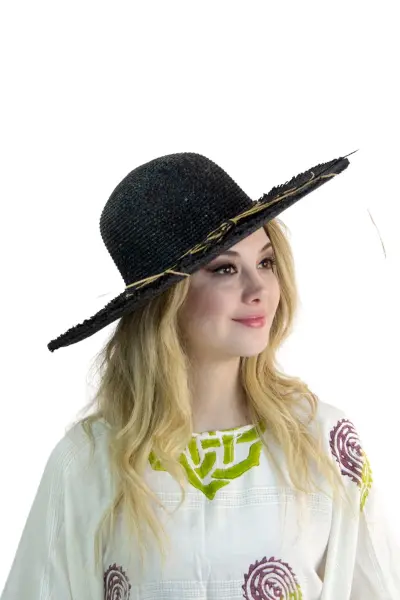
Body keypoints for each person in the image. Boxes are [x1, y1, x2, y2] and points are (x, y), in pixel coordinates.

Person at [1, 151, 399, 599]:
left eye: (266, 262)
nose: (258, 289)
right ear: (165, 301)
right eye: (225, 269)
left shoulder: (322, 441)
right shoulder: (89, 461)